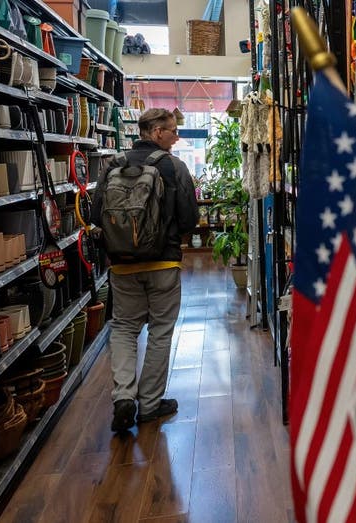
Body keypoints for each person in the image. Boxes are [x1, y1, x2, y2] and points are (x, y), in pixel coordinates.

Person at [92, 108, 199, 432]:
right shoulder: (174, 167)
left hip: (122, 267)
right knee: (160, 331)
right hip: (163, 262)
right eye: (171, 130)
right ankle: (150, 404)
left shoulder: (113, 165)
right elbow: (190, 220)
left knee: (124, 328)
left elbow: (97, 214)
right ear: (155, 132)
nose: (176, 136)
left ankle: (124, 396)